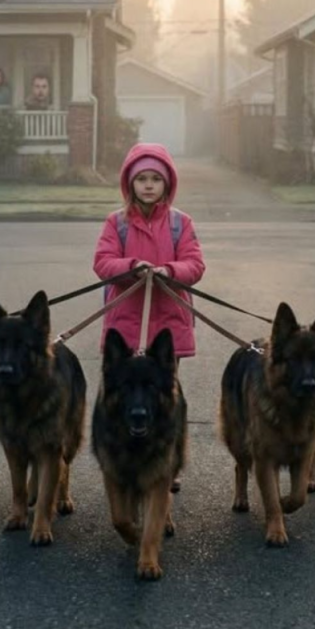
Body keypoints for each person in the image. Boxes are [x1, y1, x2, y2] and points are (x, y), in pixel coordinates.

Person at [93, 143, 206, 493]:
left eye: (156, 178)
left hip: (167, 323)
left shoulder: (179, 224)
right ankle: (124, 457)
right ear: (130, 183)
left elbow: (195, 265)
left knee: (164, 395)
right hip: (126, 322)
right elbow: (102, 262)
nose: (148, 185)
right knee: (125, 394)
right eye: (141, 178)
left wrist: (168, 270)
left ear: (167, 184)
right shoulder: (117, 223)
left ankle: (166, 462)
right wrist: (131, 267)